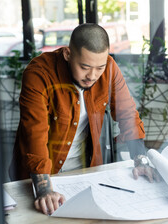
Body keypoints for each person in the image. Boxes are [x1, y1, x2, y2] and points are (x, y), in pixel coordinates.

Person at [9, 23, 157, 215]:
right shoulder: (39, 73)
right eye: (85, 67)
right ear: (68, 54)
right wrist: (44, 189)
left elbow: (127, 114)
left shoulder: (110, 69)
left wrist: (141, 160)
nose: (92, 76)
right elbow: (34, 132)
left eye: (99, 68)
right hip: (39, 174)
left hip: (83, 172)